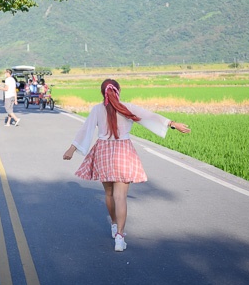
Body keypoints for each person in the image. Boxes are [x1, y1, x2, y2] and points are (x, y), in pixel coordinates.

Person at [63, 79, 190, 252]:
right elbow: (149, 115)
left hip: (103, 152)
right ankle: (120, 238)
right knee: (120, 197)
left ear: (103, 93)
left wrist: (71, 149)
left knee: (109, 194)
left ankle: (114, 225)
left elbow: (86, 130)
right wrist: (173, 124)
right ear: (118, 91)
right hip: (123, 151)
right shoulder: (127, 107)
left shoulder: (97, 109)